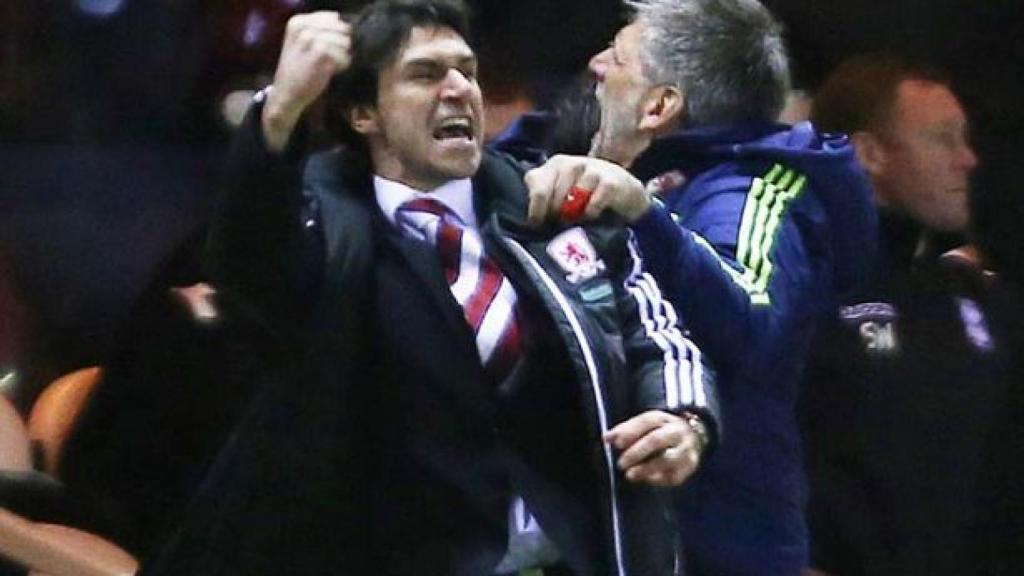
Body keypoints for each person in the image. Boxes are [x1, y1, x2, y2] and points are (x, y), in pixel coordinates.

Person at [142, 1, 718, 575]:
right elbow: (250, 265)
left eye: (465, 70)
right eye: (425, 74)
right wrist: (280, 111)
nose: (458, 89)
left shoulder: (544, 202)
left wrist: (684, 418)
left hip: (575, 555)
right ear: (364, 113)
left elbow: (657, 329)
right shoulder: (323, 225)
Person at [523, 0, 877, 573]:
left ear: (659, 106)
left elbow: (748, 318)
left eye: (616, 57)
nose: (595, 65)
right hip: (624, 532)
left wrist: (644, 213)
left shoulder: (758, 189)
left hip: (723, 546)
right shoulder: (631, 170)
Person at [800, 53, 1024, 576]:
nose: (967, 159)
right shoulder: (798, 292)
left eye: (964, 138)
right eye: (943, 138)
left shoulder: (974, 299)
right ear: (870, 152)